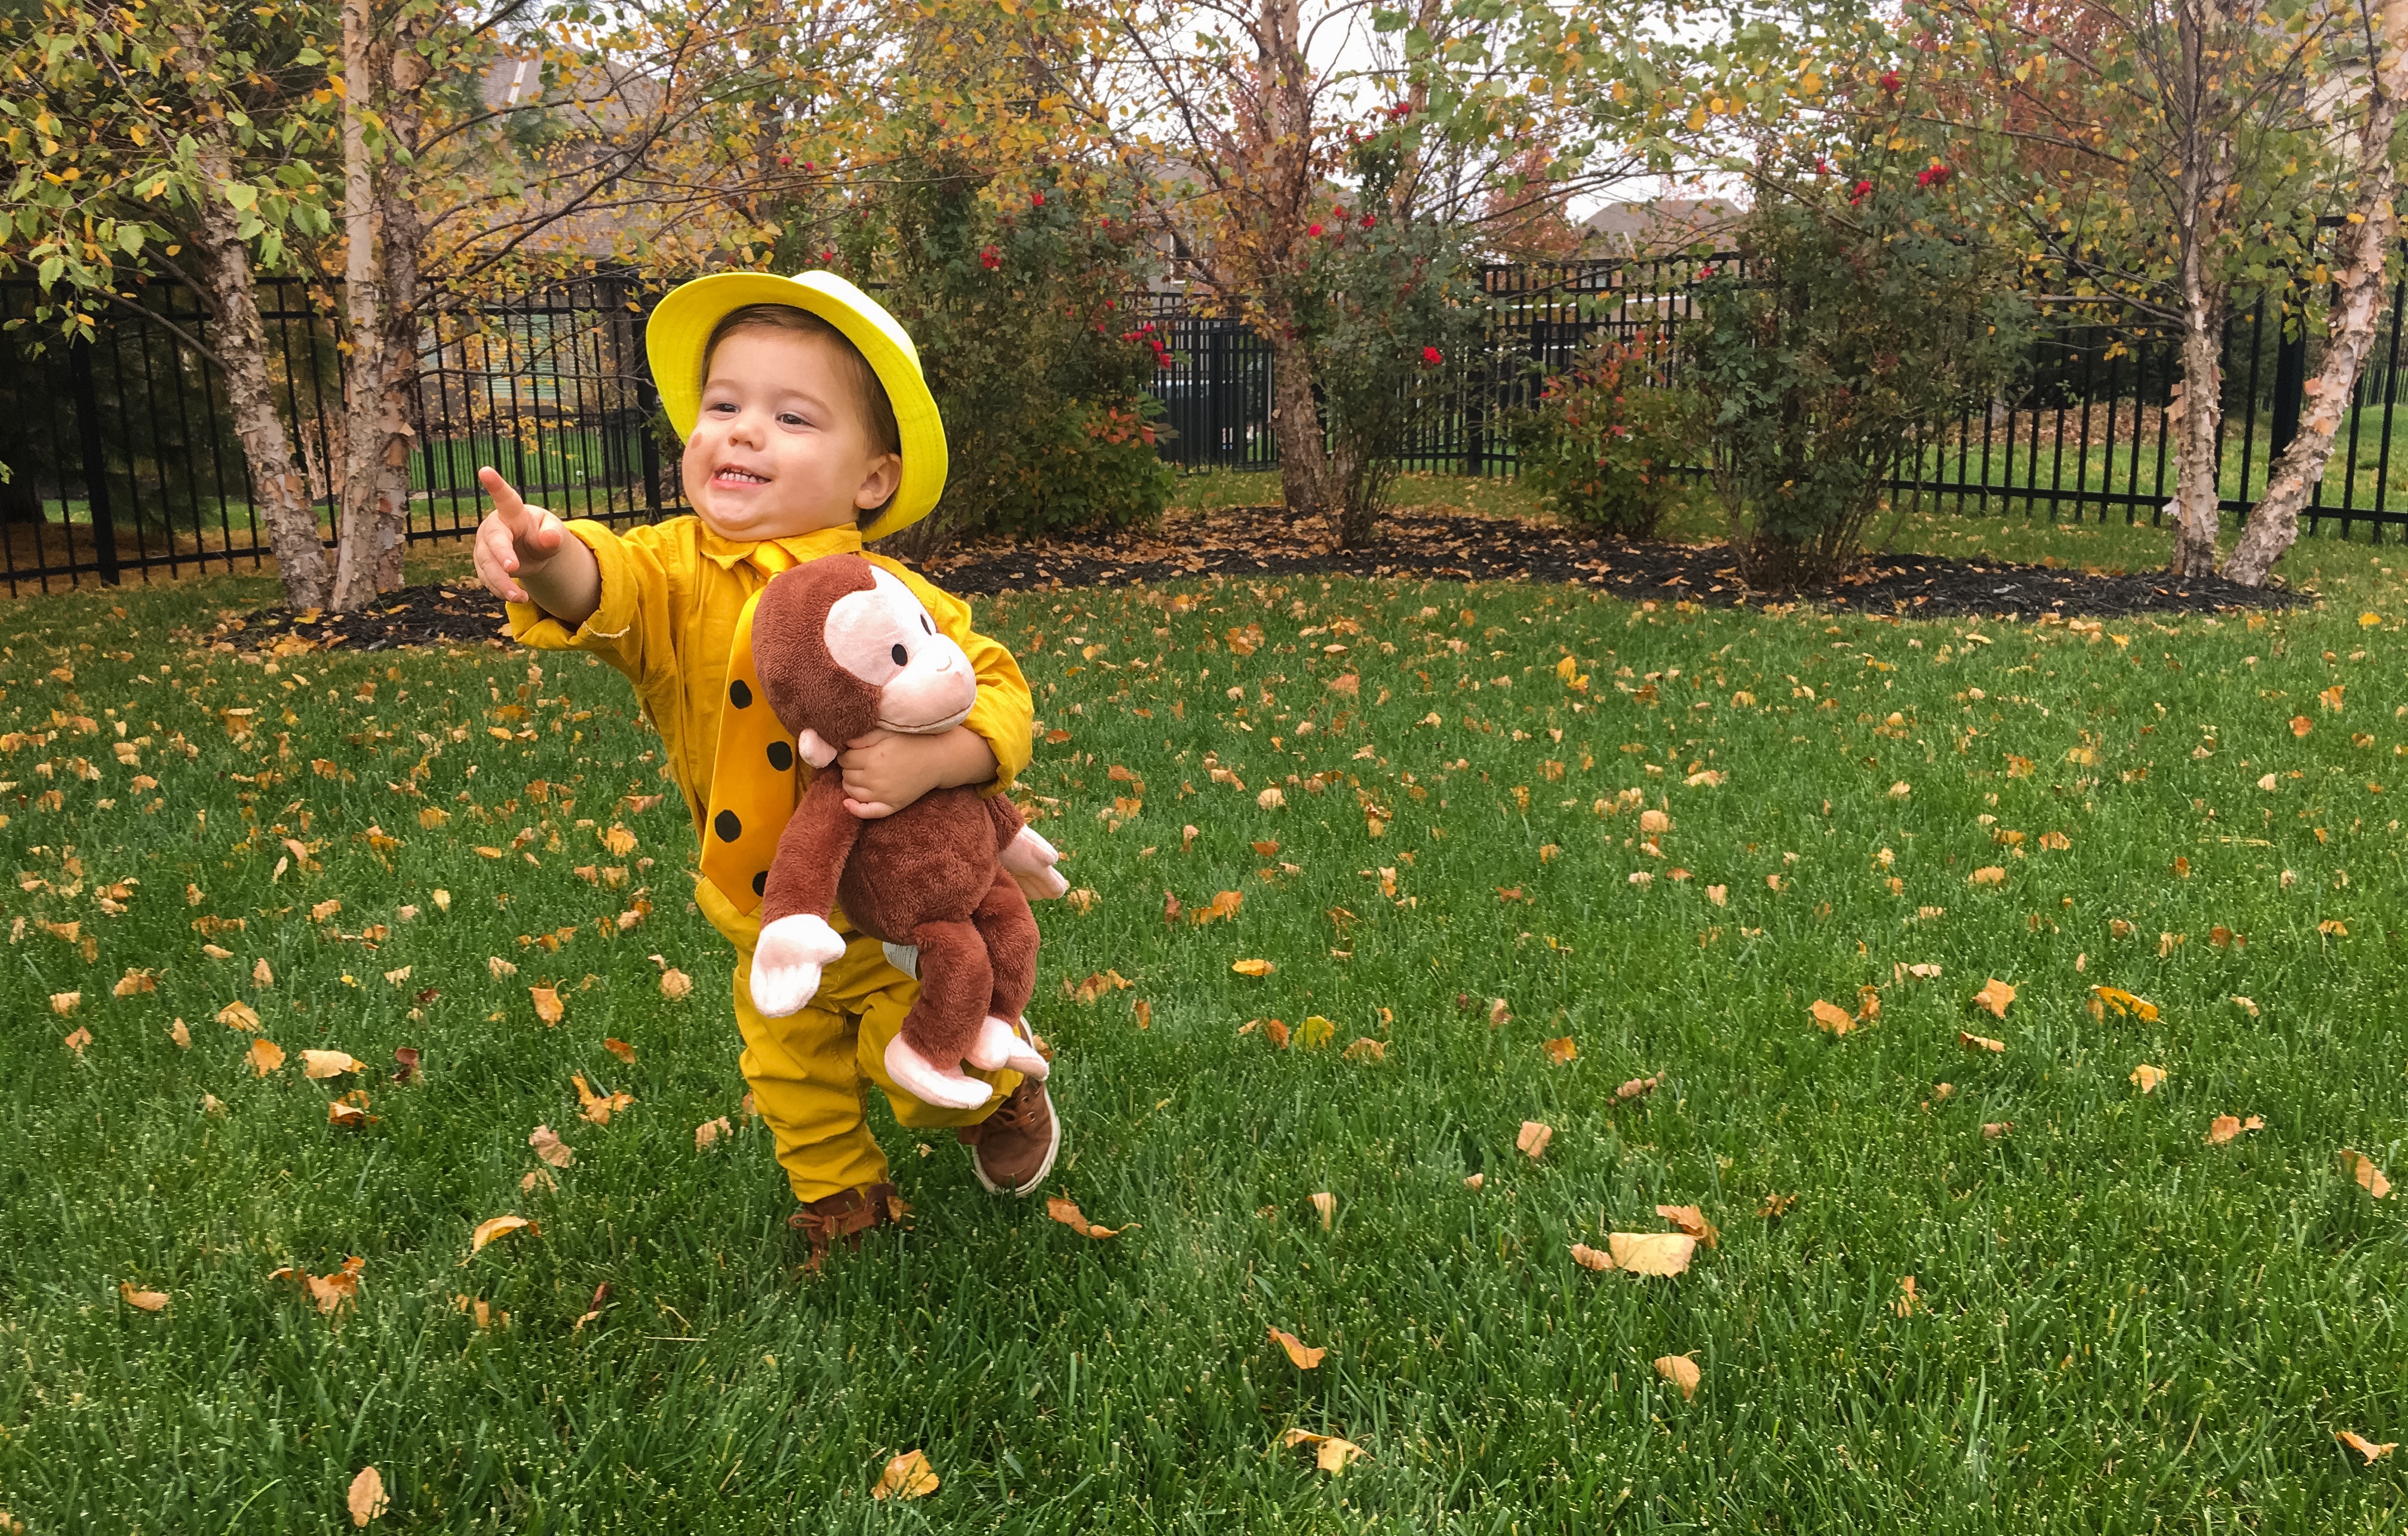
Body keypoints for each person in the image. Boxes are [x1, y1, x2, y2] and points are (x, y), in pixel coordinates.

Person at [471, 271, 1056, 1269]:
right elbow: (597, 581)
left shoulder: (890, 592)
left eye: (791, 416)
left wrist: (943, 758)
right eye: (723, 406)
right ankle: (842, 1198)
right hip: (761, 914)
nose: (741, 433)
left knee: (915, 1048)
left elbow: (995, 682)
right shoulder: (670, 574)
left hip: (892, 913)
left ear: (872, 478)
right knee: (790, 1068)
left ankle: (1004, 1095)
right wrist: (545, 557)